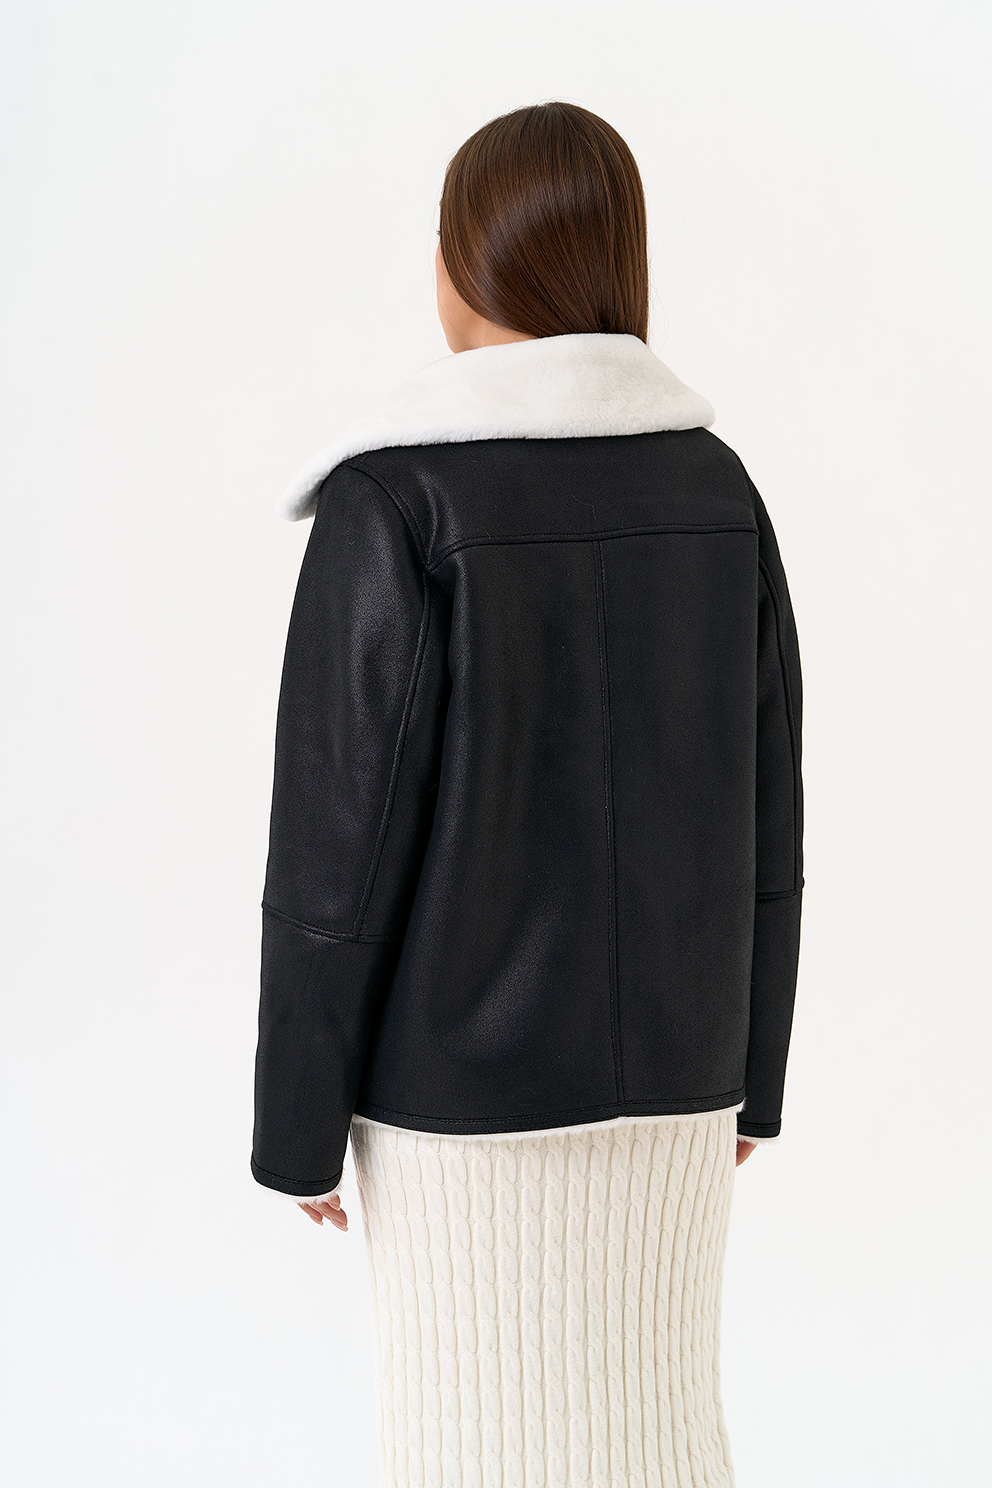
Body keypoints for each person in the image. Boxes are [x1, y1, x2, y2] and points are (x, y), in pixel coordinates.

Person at [251, 100, 803, 1488]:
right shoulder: (718, 489)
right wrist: (753, 1080)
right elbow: (768, 808)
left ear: (459, 265)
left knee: (469, 1445)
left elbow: (337, 852)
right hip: (682, 1081)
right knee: (660, 1440)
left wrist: (298, 1126)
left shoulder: (397, 500)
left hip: (455, 1107)